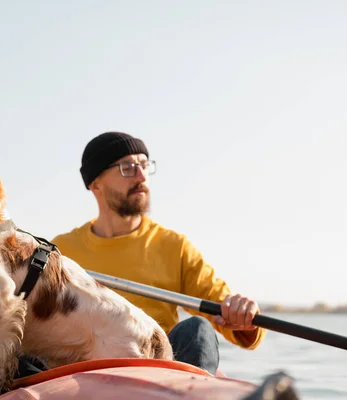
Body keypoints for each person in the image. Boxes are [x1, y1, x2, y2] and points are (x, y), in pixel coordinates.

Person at [50, 131, 266, 374]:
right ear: (96, 183)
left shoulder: (175, 246)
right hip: (86, 371)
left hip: (159, 370)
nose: (141, 176)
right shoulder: (61, 252)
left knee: (197, 329)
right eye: (128, 168)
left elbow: (223, 309)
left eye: (144, 165)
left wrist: (242, 314)